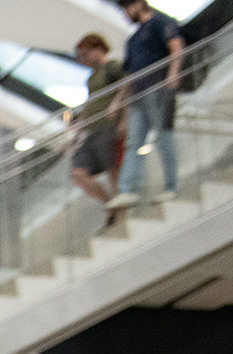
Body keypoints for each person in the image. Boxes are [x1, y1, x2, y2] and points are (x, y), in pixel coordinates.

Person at [115, 1, 184, 205]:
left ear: (137, 4)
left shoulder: (159, 23)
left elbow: (176, 46)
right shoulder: (133, 39)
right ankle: (128, 189)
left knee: (163, 137)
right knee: (133, 142)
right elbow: (129, 74)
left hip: (158, 87)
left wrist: (173, 73)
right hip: (138, 94)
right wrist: (119, 101)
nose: (126, 15)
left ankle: (171, 186)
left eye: (127, 9)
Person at [70, 34, 126, 207]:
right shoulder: (92, 77)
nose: (83, 60)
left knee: (112, 169)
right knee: (79, 173)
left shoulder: (112, 67)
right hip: (92, 129)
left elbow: (127, 85)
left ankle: (120, 211)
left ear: (97, 49)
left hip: (108, 125)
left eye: (86, 54)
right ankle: (110, 205)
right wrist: (78, 129)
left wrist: (122, 115)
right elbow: (90, 103)